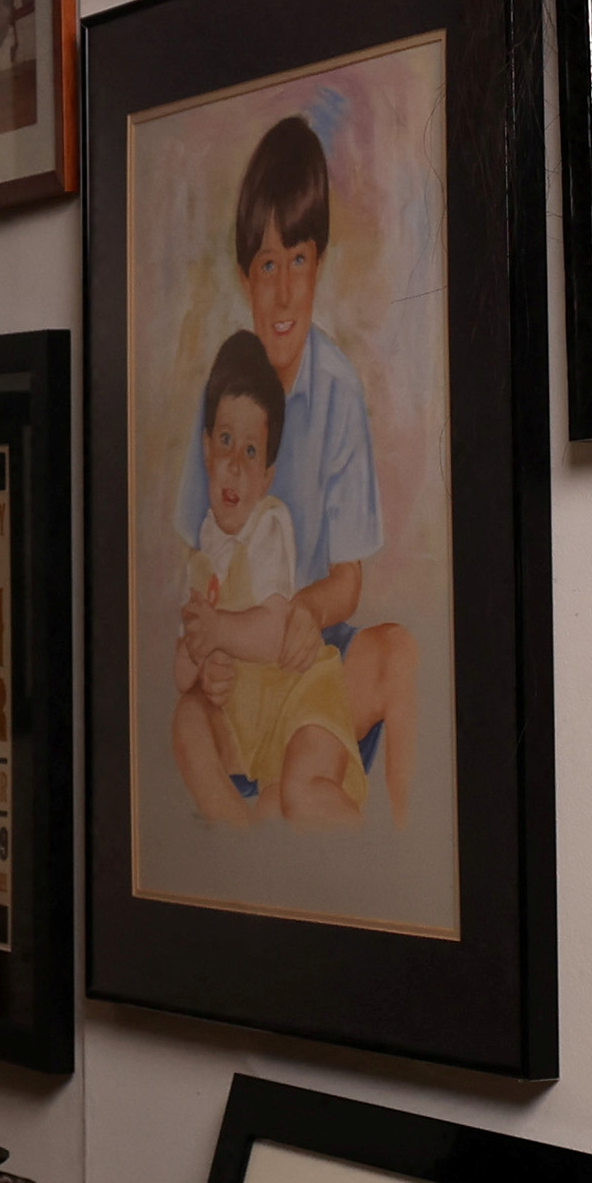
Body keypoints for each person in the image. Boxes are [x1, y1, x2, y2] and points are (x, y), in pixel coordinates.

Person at [172, 116, 419, 818]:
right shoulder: (220, 394)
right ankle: (246, 831)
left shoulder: (338, 391)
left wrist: (306, 611)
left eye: (299, 261)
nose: (283, 292)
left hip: (310, 660)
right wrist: (204, 655)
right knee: (184, 724)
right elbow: (198, 562)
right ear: (246, 274)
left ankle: (338, 820)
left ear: (321, 263)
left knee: (399, 650)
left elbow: (347, 582)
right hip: (235, 678)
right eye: (267, 266)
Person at [174, 330, 357, 825]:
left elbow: (277, 632)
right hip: (243, 720)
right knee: (186, 719)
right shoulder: (200, 547)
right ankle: (236, 824)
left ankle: (275, 826)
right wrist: (196, 660)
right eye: (227, 442)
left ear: (267, 476)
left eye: (251, 452)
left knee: (299, 794)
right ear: (207, 448)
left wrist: (217, 633)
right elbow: (182, 664)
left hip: (293, 698)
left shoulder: (269, 524)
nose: (235, 465)